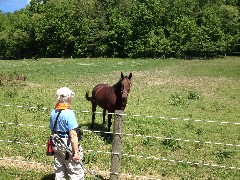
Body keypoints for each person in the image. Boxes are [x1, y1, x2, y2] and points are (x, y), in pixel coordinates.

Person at [49, 87, 84, 180]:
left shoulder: (53, 111)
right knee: (76, 172)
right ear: (68, 98)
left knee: (59, 171)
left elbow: (52, 130)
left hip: (56, 143)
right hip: (67, 144)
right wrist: (76, 152)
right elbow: (73, 135)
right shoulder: (69, 114)